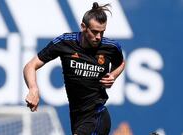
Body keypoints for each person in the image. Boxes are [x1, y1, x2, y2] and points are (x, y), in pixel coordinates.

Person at [23, 2, 125, 135]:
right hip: (77, 117)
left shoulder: (111, 47)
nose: (98, 37)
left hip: (97, 115)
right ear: (83, 27)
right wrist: (33, 88)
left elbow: (121, 63)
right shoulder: (65, 42)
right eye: (94, 32)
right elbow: (30, 66)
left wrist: (113, 75)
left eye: (102, 32)